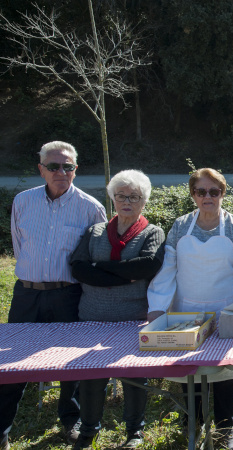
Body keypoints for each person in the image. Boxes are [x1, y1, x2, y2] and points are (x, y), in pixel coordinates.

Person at [1, 141, 106, 450]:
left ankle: (70, 422)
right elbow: (20, 246)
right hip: (27, 295)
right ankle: (2, 430)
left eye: (68, 166)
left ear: (76, 169)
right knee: (10, 365)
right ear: (41, 169)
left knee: (70, 365)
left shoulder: (90, 207)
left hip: (68, 295)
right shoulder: (23, 202)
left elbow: (94, 258)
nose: (62, 172)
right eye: (54, 166)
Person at [147, 168, 233, 450]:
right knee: (189, 372)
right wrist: (157, 308)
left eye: (214, 191)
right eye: (201, 191)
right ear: (193, 194)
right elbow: (168, 269)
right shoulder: (181, 226)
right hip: (186, 314)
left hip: (225, 311)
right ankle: (192, 423)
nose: (208, 197)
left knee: (226, 372)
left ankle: (225, 429)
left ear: (223, 193)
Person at [69, 170, 164, 449]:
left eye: (134, 196)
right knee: (90, 376)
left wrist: (100, 268)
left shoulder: (152, 232)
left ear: (143, 201)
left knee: (134, 378)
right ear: (112, 199)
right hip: (92, 317)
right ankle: (88, 430)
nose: (127, 201)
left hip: (132, 319)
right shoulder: (95, 231)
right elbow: (78, 268)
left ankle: (135, 431)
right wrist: (125, 274)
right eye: (121, 195)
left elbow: (147, 266)